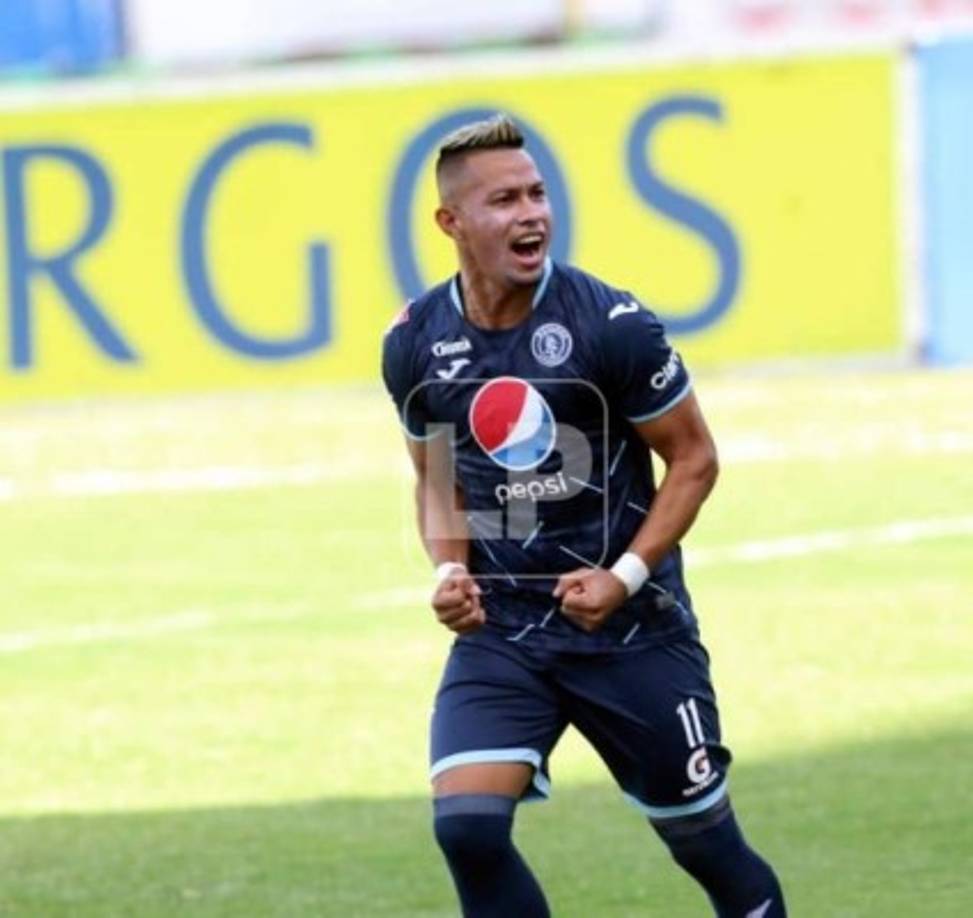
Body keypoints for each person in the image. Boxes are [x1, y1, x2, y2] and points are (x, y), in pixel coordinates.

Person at [381, 113, 786, 917]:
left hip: (629, 632)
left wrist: (623, 577)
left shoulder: (611, 325)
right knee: (466, 827)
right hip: (503, 632)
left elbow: (694, 458)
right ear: (450, 223)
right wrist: (449, 569)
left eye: (536, 194)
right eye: (504, 200)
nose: (531, 213)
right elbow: (435, 483)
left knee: (708, 847)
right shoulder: (414, 342)